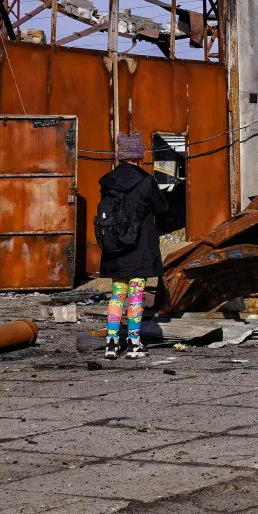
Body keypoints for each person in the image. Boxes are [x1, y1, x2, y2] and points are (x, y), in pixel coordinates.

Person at [95, 132, 168, 360]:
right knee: (136, 294)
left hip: (115, 247)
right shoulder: (146, 181)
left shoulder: (108, 181)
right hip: (139, 247)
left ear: (120, 156)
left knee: (117, 294)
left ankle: (111, 342)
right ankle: (134, 342)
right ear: (139, 156)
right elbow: (163, 209)